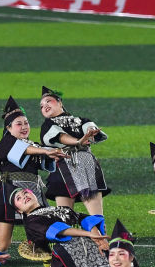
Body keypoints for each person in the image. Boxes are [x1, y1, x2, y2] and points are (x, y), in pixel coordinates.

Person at [0, 96, 65, 258]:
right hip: (9, 192)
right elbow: (24, 149)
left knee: (43, 236)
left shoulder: (33, 145)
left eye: (26, 123)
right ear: (8, 128)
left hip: (32, 191)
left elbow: (46, 159)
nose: (24, 127)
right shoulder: (6, 142)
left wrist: (63, 153)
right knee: (3, 243)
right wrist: (46, 151)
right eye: (19, 124)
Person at [39, 86, 109, 219]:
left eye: (48, 101)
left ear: (60, 102)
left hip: (86, 166)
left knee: (97, 218)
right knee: (65, 219)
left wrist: (91, 134)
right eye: (41, 106)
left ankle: (99, 232)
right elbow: (60, 137)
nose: (45, 106)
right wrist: (78, 141)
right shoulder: (47, 125)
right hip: (62, 170)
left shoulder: (82, 120)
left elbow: (91, 131)